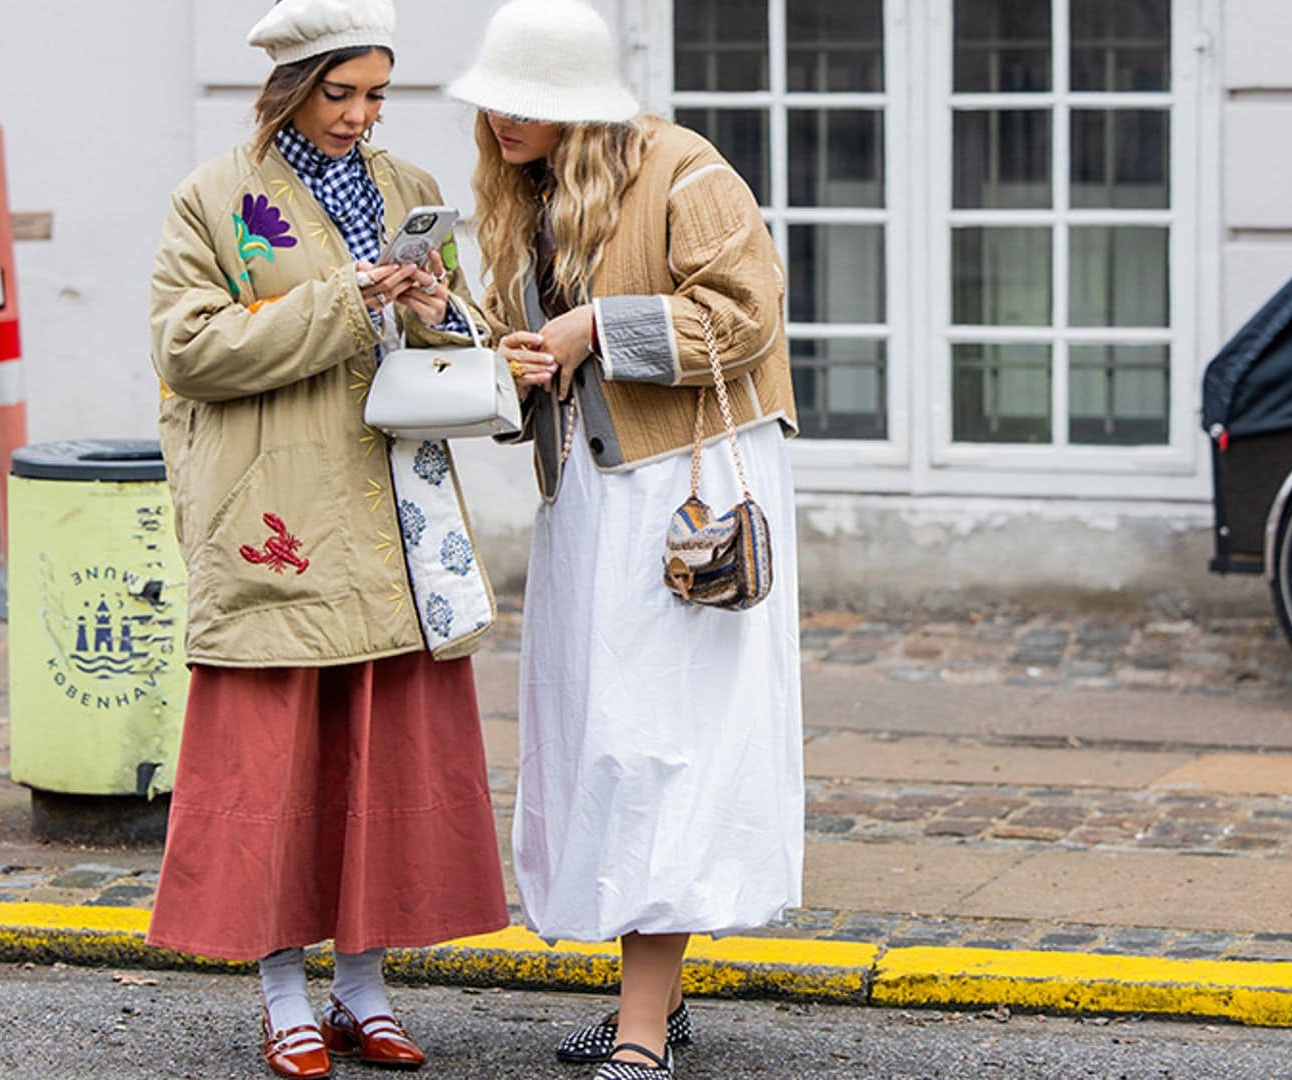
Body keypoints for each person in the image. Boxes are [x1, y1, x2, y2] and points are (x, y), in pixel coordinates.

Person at [144, 1, 508, 1076]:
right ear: (290, 88)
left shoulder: (410, 190)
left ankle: (364, 985)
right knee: (272, 766)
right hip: (277, 514)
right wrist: (348, 299)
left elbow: (458, 335)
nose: (360, 115)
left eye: (376, 94)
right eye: (339, 93)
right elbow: (190, 348)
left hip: (394, 512)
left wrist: (438, 305)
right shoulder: (215, 196)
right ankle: (282, 993)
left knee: (379, 760)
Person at [447, 1, 805, 1077]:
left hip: (684, 503)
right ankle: (657, 1000)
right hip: (590, 503)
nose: (501, 119)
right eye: (493, 100)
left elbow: (747, 316)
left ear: (574, 102)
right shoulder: (525, 193)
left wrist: (596, 326)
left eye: (524, 101)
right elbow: (532, 374)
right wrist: (477, 341)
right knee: (604, 744)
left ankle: (643, 1034)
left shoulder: (684, 169)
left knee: (662, 747)